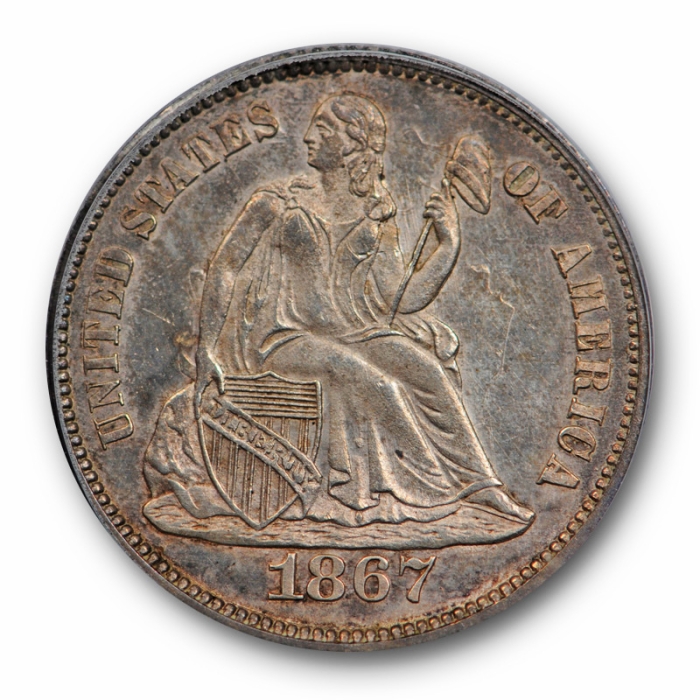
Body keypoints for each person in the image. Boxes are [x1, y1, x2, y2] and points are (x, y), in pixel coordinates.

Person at [192, 93, 533, 525]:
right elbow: (225, 267)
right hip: (283, 337)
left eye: (323, 128)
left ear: (353, 143)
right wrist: (206, 350)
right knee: (369, 379)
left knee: (427, 371)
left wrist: (448, 245)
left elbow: (400, 300)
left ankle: (482, 488)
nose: (308, 136)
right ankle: (434, 495)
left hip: (358, 330)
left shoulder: (376, 210)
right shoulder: (275, 202)